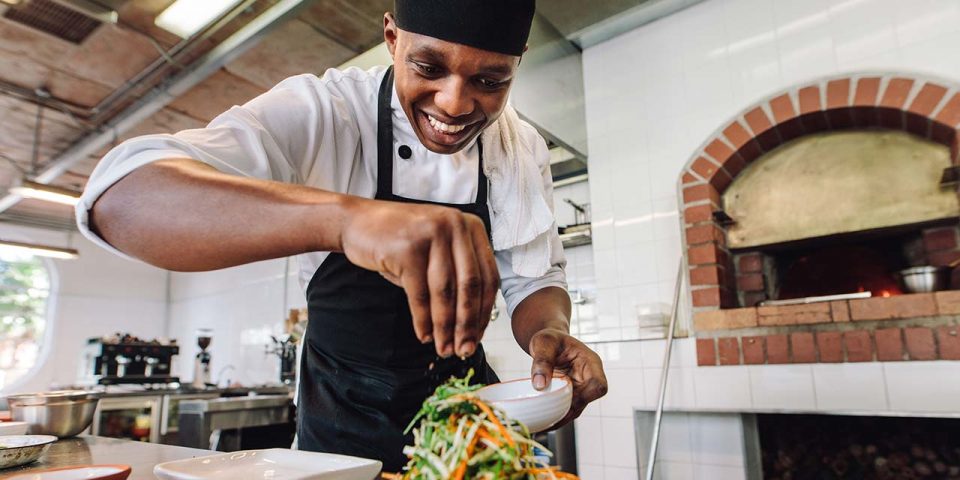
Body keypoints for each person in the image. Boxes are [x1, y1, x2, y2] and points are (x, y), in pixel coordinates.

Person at [77, 0, 607, 470]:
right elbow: (121, 198)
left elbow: (534, 276)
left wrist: (550, 329)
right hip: (339, 424)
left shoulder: (521, 147)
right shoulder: (325, 111)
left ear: (518, 65)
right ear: (392, 38)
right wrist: (347, 220)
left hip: (468, 424)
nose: (454, 104)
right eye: (429, 67)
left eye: (490, 81)